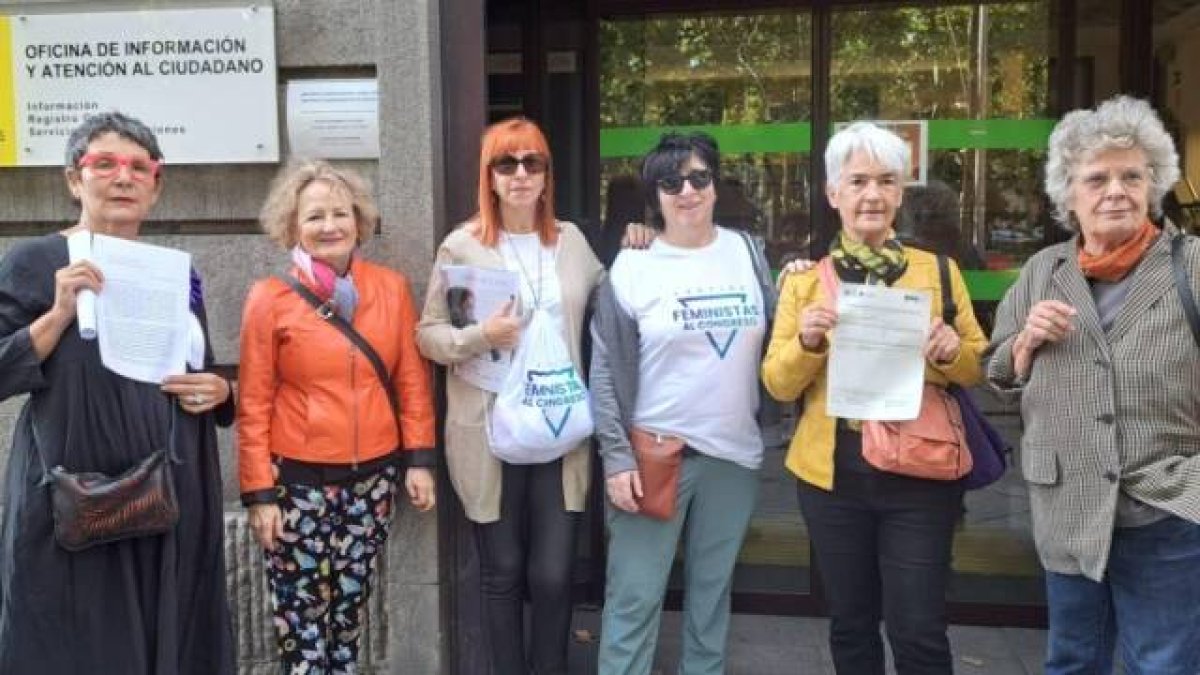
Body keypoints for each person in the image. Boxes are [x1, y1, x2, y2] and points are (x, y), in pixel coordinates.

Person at [0, 112, 235, 673]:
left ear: (155, 187)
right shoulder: (36, 262)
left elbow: (197, 364)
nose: (122, 177)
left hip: (168, 497)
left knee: (168, 637)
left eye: (138, 167)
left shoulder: (175, 271)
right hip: (76, 501)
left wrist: (221, 390)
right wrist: (56, 315)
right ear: (73, 180)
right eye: (103, 164)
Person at [761, 122, 987, 675]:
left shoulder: (937, 270)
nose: (872, 194)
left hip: (920, 470)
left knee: (919, 628)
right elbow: (777, 383)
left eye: (887, 180)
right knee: (851, 623)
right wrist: (809, 342)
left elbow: (978, 365)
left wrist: (949, 349)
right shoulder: (803, 283)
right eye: (858, 180)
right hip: (832, 474)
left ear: (900, 193)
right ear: (833, 193)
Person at [985, 95, 1200, 675]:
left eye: (1132, 175)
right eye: (1097, 177)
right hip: (1069, 506)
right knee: (1073, 663)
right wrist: (1026, 341)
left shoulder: (1192, 266)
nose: (1115, 190)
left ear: (1153, 185)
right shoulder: (1044, 270)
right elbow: (998, 369)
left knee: (1166, 666)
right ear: (1069, 196)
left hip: (1170, 505)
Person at [417, 117, 606, 675]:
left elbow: (612, 300)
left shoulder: (571, 243)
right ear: (490, 178)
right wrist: (481, 336)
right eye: (507, 163)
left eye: (533, 163)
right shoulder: (463, 246)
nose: (521, 174)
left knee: (552, 575)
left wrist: (641, 241)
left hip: (559, 429)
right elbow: (427, 335)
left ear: (547, 176)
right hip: (490, 432)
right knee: (502, 572)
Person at [238, 160, 437, 674]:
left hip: (372, 479)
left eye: (340, 213)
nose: (330, 226)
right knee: (301, 614)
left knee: (349, 609)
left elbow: (411, 381)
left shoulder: (390, 288)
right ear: (293, 226)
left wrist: (418, 460)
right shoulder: (270, 299)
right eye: (315, 216)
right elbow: (254, 402)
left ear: (359, 220)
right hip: (296, 484)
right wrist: (259, 494)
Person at [590, 131, 776, 675]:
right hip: (653, 455)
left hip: (734, 456)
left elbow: (776, 332)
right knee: (634, 598)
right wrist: (616, 457)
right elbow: (603, 369)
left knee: (711, 600)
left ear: (716, 185)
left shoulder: (747, 252)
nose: (687, 190)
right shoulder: (633, 265)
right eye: (671, 182)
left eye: (699, 177)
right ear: (655, 194)